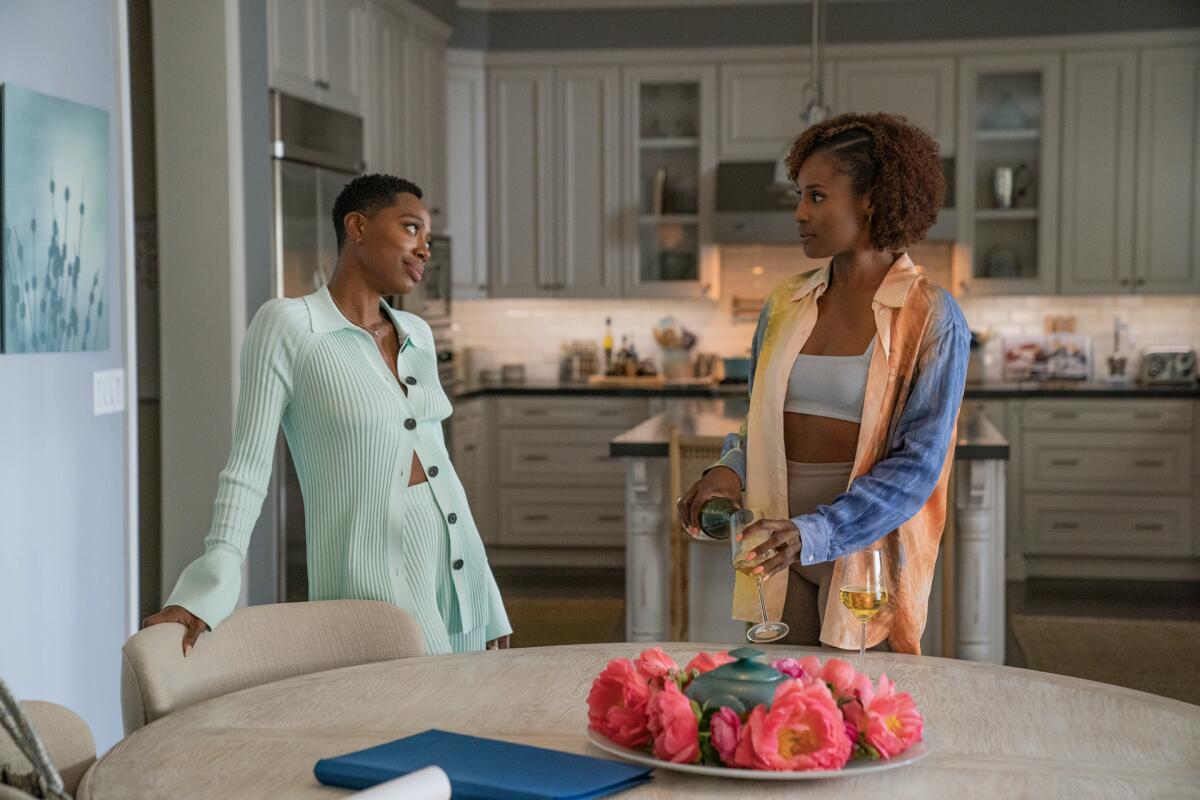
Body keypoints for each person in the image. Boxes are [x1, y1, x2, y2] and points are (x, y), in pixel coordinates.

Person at [144, 175, 511, 656]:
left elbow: (442, 470)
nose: (425, 250)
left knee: (463, 718)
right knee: (400, 715)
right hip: (372, 578)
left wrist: (486, 597)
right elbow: (248, 470)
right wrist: (206, 589)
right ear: (357, 226)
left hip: (454, 566)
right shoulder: (289, 326)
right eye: (410, 228)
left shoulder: (417, 333)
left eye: (427, 238)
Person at [678, 113, 968, 654]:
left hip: (864, 555)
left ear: (871, 199)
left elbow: (917, 468)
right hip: (774, 546)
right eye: (800, 195)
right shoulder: (785, 303)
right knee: (777, 713)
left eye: (816, 197)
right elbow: (757, 423)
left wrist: (815, 533)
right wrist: (727, 471)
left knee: (852, 721)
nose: (799, 213)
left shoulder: (930, 315)